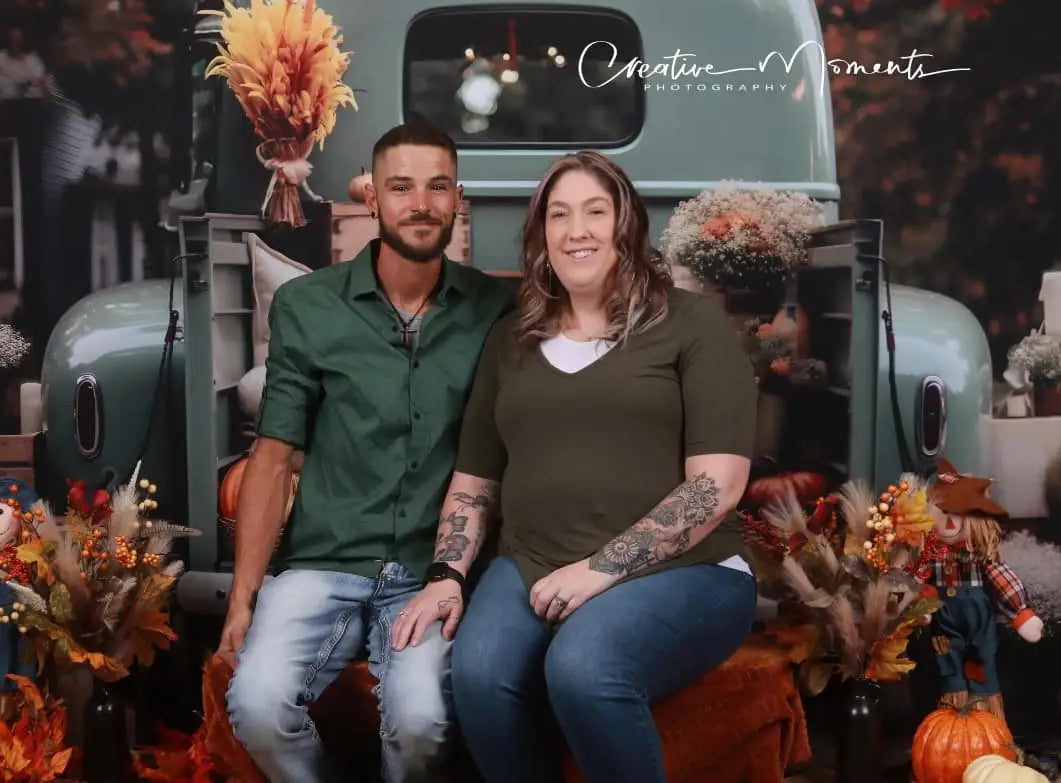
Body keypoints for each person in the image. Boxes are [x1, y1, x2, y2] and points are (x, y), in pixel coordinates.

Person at [391, 150, 760, 783]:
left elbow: (717, 485)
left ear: (627, 225)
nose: (576, 230)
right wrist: (447, 574)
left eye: (595, 211)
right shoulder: (512, 340)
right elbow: (477, 480)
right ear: (541, 237)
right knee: (478, 676)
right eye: (558, 215)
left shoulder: (692, 325)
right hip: (532, 560)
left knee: (585, 669)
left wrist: (600, 570)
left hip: (687, 570)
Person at [220, 122, 515, 783]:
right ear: (372, 200)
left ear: (457, 199)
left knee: (420, 726)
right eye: (401, 187)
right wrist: (243, 598)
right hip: (322, 559)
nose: (421, 203)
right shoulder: (308, 307)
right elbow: (271, 457)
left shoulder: (497, 308)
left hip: (428, 567)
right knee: (258, 707)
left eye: (438, 187)